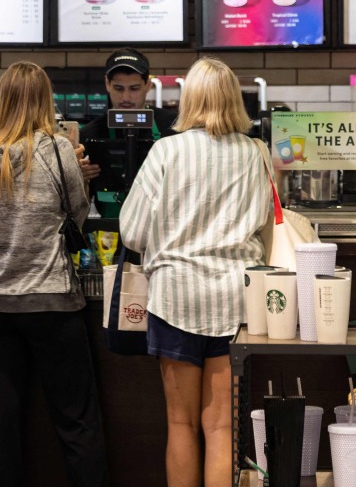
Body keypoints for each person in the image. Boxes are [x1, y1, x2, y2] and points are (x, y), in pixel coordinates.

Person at [0, 61, 105, 487]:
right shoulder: (58, 151)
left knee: (0, 421)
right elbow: (76, 218)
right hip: (51, 303)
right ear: (46, 101)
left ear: (2, 101)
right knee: (76, 421)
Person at [120, 58, 272, 487]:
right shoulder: (255, 152)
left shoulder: (165, 151)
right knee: (222, 428)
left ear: (189, 100)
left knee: (181, 425)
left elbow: (132, 231)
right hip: (236, 299)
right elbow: (265, 221)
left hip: (175, 298)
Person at [79, 48, 178, 181]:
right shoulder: (89, 134)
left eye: (134, 88)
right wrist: (78, 177)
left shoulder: (173, 126)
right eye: (119, 88)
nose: (126, 97)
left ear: (148, 85)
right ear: (107, 84)